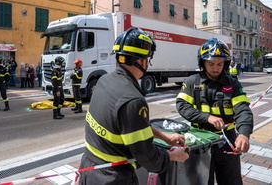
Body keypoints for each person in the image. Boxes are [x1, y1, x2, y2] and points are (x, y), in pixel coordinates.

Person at [79, 27, 189, 184]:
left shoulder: (104, 81)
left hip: (89, 168)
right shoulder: (133, 100)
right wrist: (173, 155)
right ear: (141, 61)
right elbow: (148, 158)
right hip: (113, 178)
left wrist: (165, 137)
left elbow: (129, 127)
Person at [176, 38, 253, 185]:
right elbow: (182, 106)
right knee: (203, 181)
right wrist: (207, 117)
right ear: (202, 62)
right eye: (211, 64)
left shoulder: (233, 84)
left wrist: (244, 134)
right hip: (200, 141)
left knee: (232, 181)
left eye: (219, 64)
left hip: (227, 142)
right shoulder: (192, 82)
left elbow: (243, 109)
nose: (216, 68)